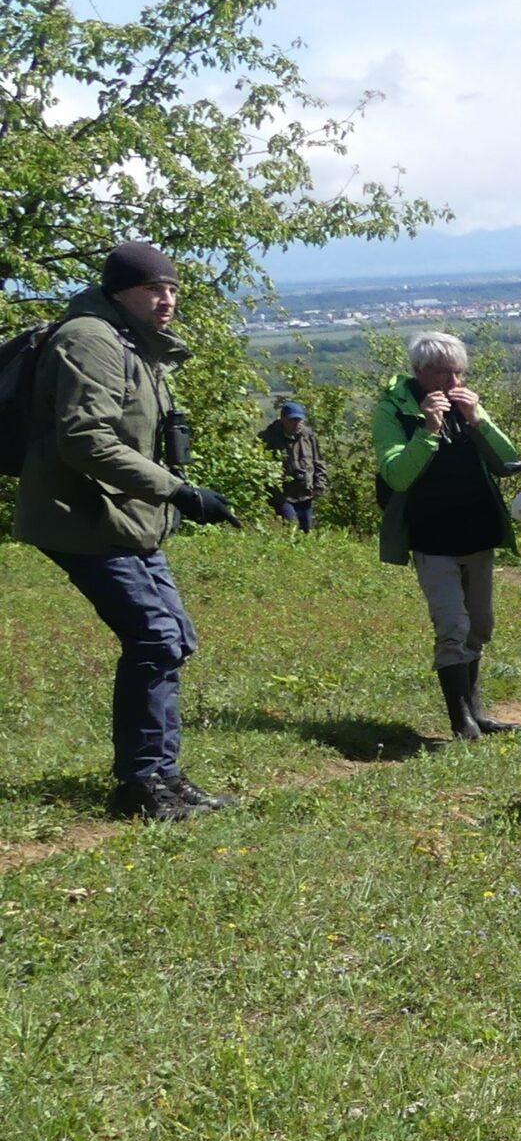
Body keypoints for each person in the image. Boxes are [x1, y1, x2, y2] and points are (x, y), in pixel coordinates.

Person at [12, 239, 239, 820]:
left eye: (172, 290)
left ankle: (162, 773)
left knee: (172, 638)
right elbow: (86, 439)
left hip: (127, 518)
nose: (166, 300)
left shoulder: (132, 342)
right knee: (154, 638)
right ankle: (139, 786)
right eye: (152, 289)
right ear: (120, 292)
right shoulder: (88, 339)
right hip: (81, 518)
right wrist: (178, 491)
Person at [371, 333, 521, 740]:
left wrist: (479, 420)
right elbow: (397, 474)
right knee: (452, 626)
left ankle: (477, 712)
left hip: (477, 533)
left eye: (458, 371)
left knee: (479, 625)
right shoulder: (394, 412)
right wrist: (427, 430)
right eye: (442, 372)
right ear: (419, 373)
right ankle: (461, 723)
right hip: (431, 536)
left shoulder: (466, 403)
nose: (452, 381)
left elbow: (509, 463)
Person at [259, 400, 325, 531]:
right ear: (283, 419)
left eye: (299, 420)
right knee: (291, 527)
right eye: (292, 420)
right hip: (282, 495)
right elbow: (258, 465)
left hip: (305, 492)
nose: (296, 423)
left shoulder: (308, 437)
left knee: (307, 530)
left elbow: (319, 462)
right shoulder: (268, 437)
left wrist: (320, 485)